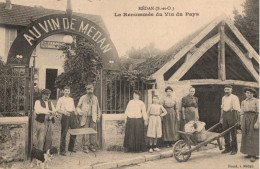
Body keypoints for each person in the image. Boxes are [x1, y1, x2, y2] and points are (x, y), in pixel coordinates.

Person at [76, 83, 101, 153]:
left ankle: (92, 146)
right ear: (86, 90)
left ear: (93, 90)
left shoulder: (95, 98)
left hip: (93, 118)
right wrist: (80, 112)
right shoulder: (83, 97)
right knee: (86, 132)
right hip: (85, 118)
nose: (90, 91)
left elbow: (98, 108)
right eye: (88, 89)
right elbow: (77, 107)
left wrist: (98, 117)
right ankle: (85, 146)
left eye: (91, 89)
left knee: (93, 132)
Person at [56, 86, 78, 156]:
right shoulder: (60, 99)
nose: (67, 92)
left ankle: (71, 148)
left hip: (72, 115)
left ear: (69, 92)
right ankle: (62, 150)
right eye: (65, 91)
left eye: (68, 91)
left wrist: (75, 113)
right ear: (63, 91)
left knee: (74, 132)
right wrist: (64, 112)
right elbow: (57, 109)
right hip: (65, 115)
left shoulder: (71, 99)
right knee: (64, 133)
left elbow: (73, 107)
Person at [219, 85, 241, 155]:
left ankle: (234, 149)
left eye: (228, 89)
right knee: (225, 131)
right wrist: (221, 118)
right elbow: (222, 108)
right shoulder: (223, 98)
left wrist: (237, 119)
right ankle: (227, 148)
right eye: (225, 90)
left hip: (232, 114)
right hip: (225, 115)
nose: (227, 91)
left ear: (231, 90)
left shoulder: (234, 97)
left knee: (233, 132)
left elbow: (237, 109)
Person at [240, 87, 259, 162]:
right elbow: (242, 113)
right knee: (246, 134)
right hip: (245, 118)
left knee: (253, 136)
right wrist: (241, 123)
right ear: (245, 93)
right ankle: (248, 153)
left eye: (251, 93)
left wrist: (257, 122)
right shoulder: (243, 102)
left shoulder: (257, 101)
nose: (249, 94)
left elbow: (259, 112)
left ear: (253, 94)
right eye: (247, 93)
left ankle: (253, 155)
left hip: (253, 118)